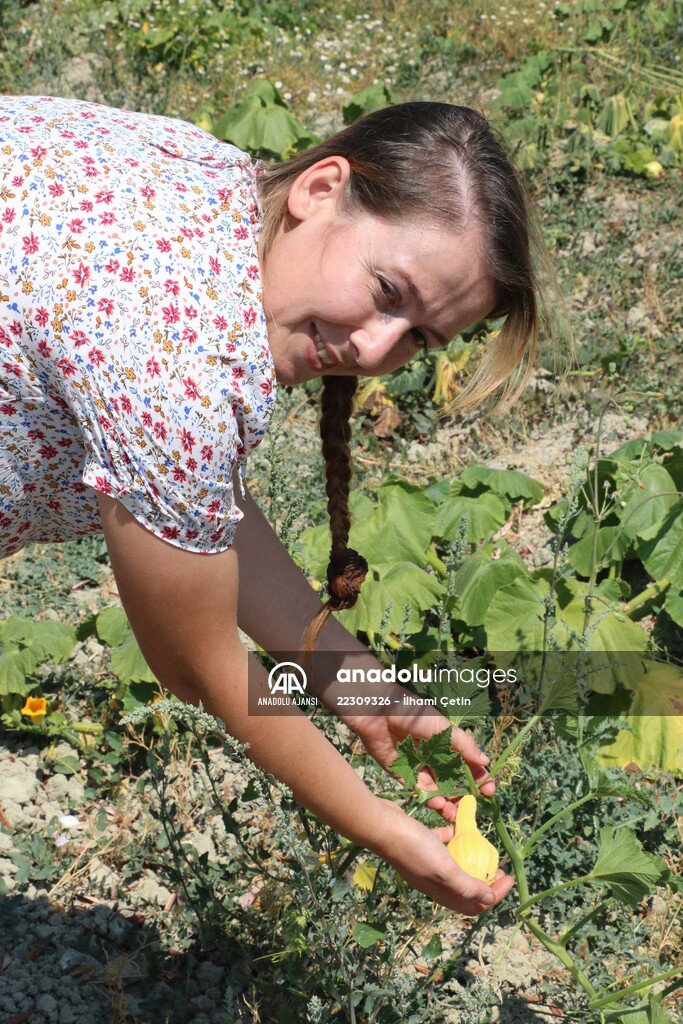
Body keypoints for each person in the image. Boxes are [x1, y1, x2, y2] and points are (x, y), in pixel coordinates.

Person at [0, 94, 541, 916]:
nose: (371, 350)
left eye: (418, 340)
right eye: (386, 290)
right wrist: (383, 827)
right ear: (321, 189)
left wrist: (361, 686)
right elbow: (197, 661)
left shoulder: (211, 182)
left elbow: (195, 504)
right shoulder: (177, 363)